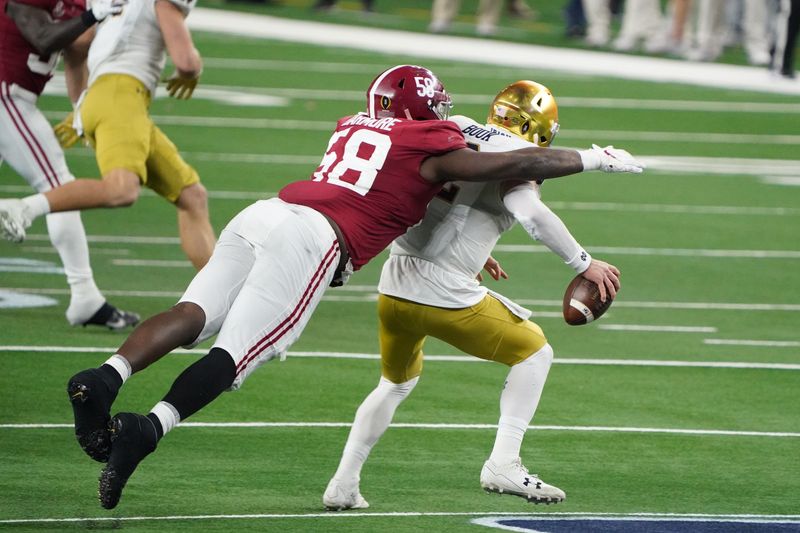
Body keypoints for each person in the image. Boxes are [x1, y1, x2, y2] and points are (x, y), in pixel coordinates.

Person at [64, 64, 643, 510]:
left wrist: (476, 244)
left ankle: (105, 376)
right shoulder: (436, 139)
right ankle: (149, 427)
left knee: (194, 310)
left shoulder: (356, 124)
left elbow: (405, 197)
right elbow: (498, 173)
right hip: (321, 240)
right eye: (435, 104)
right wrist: (594, 163)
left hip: (273, 212)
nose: (445, 109)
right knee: (237, 353)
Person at [321, 80, 620, 510]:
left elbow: (435, 201)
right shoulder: (520, 156)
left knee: (394, 383)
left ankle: (343, 484)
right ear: (542, 129)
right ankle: (504, 462)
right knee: (535, 352)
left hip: (395, 283)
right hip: (442, 292)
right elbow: (530, 214)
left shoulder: (455, 128)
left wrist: (475, 251)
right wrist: (583, 262)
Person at [0, 0, 215, 269]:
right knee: (121, 190)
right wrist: (194, 67)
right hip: (121, 97)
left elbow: (77, 47)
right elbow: (185, 62)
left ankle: (217, 297)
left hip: (105, 97)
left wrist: (81, 105)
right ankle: (25, 208)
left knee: (192, 195)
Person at [0, 0, 140, 329]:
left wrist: (82, 110)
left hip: (15, 95)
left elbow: (76, 55)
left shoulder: (80, 3)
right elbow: (44, 38)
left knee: (59, 187)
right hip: (6, 95)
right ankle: (85, 296)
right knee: (60, 188)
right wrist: (94, 15)